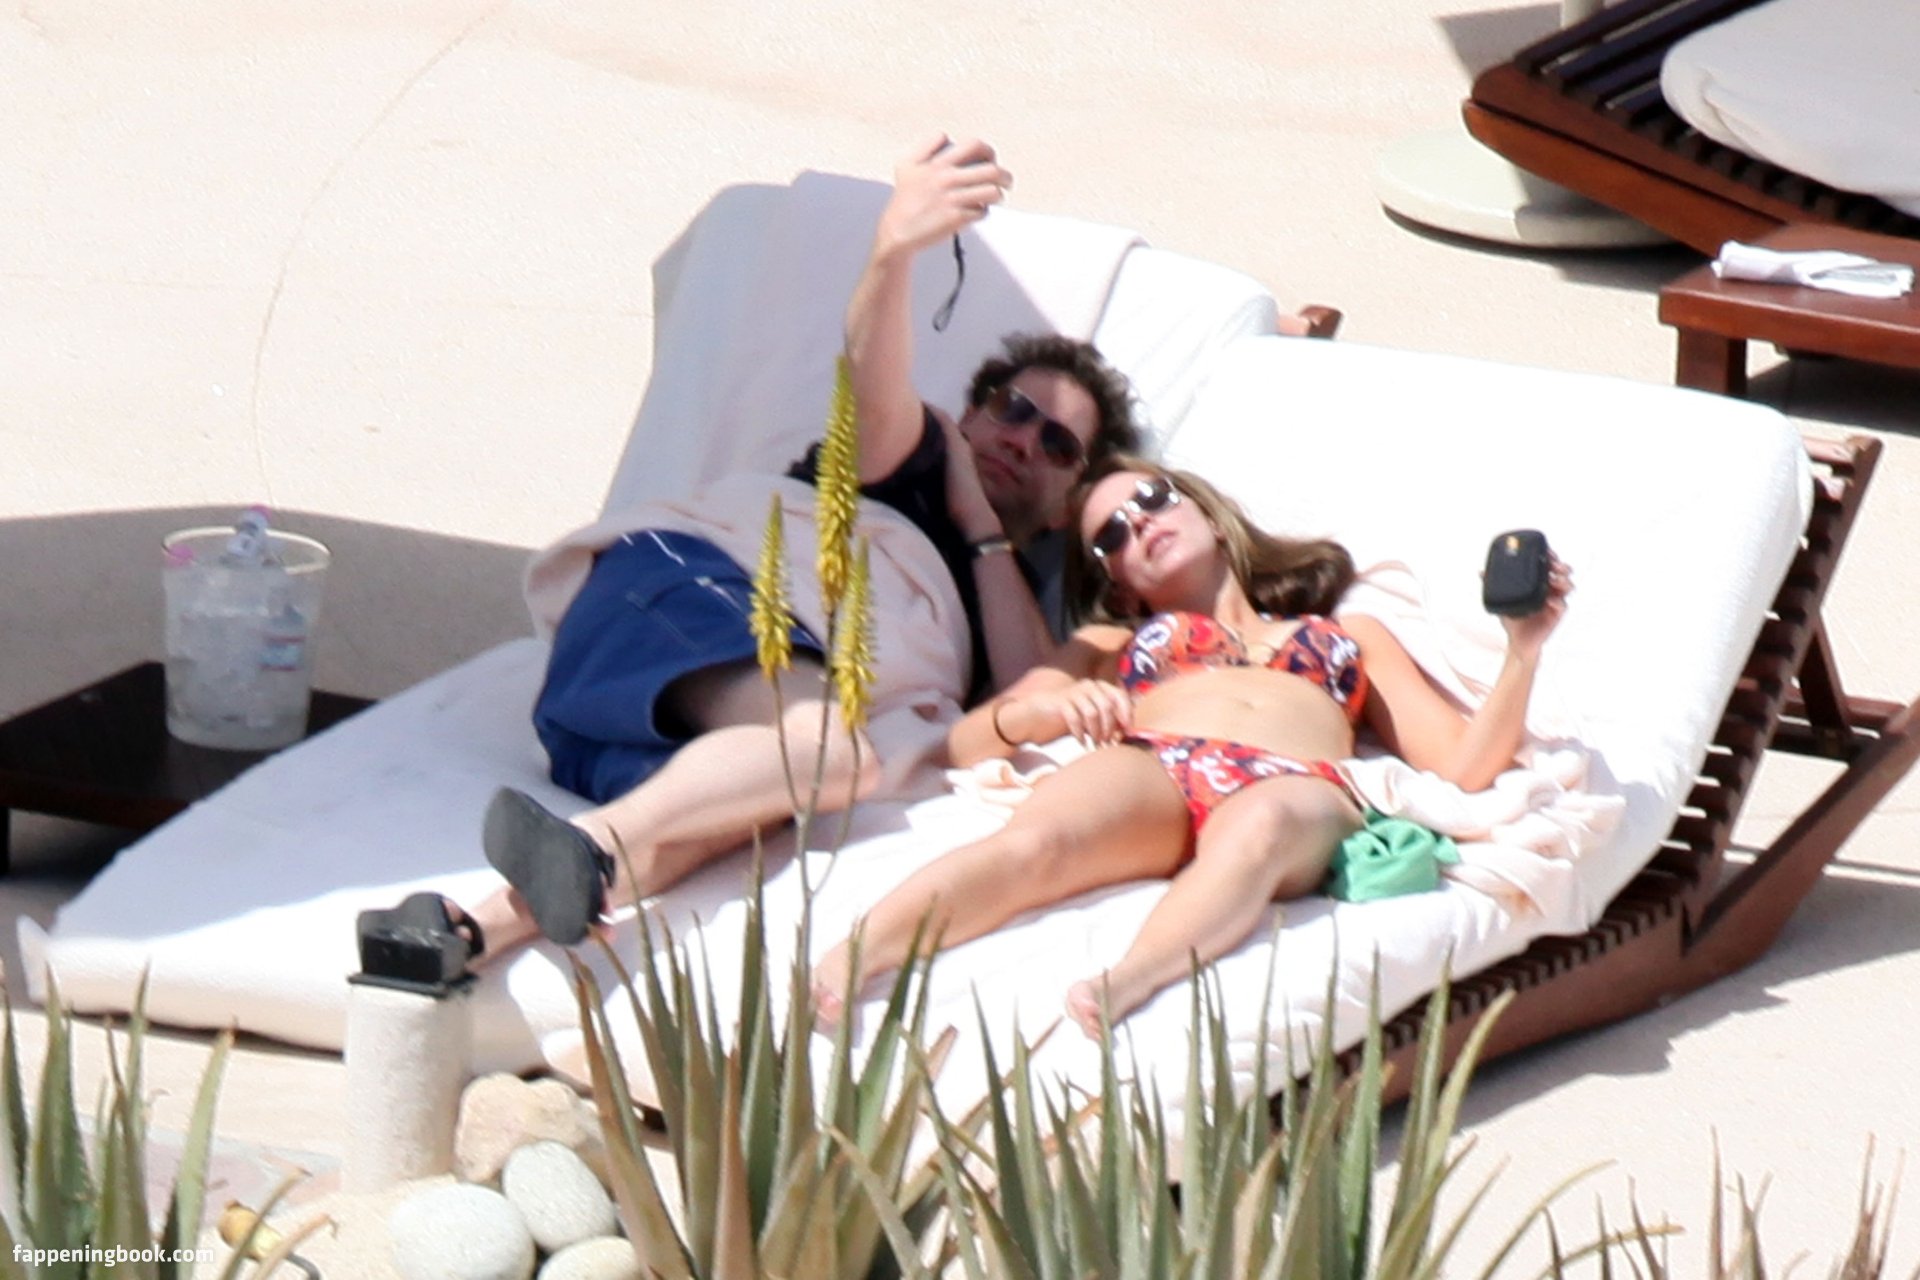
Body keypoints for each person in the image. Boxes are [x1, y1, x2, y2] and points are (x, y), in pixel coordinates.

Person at [356, 136, 1142, 979]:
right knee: (829, 755)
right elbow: (870, 378)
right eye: (1013, 410)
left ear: (1067, 502)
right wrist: (892, 250)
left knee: (734, 818)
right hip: (685, 595)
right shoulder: (904, 462)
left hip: (667, 734)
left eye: (1057, 444)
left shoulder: (999, 591)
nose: (1022, 439)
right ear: (971, 413)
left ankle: (458, 933)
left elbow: (1025, 693)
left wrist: (982, 530)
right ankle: (586, 847)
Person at [811, 457, 1572, 1036]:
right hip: (1157, 760)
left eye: (1152, 498)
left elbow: (1463, 764)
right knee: (1038, 843)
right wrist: (1042, 712)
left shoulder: (1347, 633)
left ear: (1206, 510)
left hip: (1293, 777)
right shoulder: (1110, 641)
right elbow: (965, 743)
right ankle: (857, 955)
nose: (1139, 524)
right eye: (1112, 535)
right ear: (1120, 584)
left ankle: (1132, 977)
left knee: (1262, 829)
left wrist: (1524, 652)